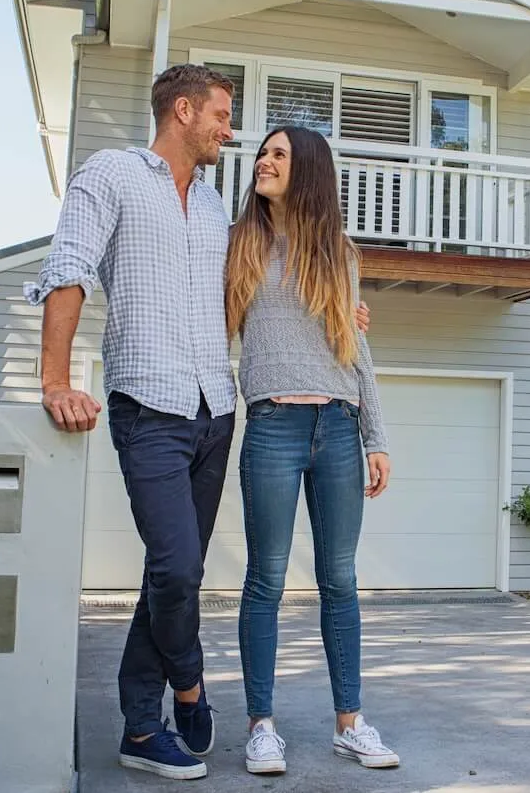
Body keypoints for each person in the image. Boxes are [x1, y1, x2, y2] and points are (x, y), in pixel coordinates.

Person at [28, 68, 371, 781]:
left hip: (215, 412)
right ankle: (187, 683)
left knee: (168, 570)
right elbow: (69, 268)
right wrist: (55, 379)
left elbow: (270, 297)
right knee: (180, 565)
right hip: (147, 407)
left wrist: (346, 320)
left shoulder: (220, 212)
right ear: (183, 111)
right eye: (221, 113)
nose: (231, 130)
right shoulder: (113, 173)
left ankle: (140, 725)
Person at [224, 125, 400, 776]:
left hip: (339, 427)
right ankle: (261, 726)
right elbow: (211, 326)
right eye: (263, 153)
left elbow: (358, 349)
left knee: (340, 581)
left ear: (309, 172)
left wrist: (376, 435)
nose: (264, 161)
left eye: (280, 154)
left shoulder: (338, 252)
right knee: (266, 578)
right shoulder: (240, 243)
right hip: (271, 423)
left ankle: (349, 723)